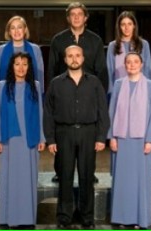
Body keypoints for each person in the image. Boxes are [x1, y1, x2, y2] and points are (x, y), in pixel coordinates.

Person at [44, 45, 109, 229]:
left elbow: (103, 111)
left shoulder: (95, 82)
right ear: (65, 60)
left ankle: (87, 217)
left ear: (83, 58)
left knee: (87, 176)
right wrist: (50, 139)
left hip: (89, 133)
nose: (74, 59)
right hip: (63, 133)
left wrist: (101, 137)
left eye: (77, 55)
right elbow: (48, 112)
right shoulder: (56, 83)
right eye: (70, 56)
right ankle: (64, 216)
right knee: (64, 176)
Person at [47, 2, 107, 183]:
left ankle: (89, 171)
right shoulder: (58, 40)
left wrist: (100, 96)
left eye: (79, 14)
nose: (76, 17)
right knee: (63, 133)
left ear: (85, 17)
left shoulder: (95, 40)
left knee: (88, 137)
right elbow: (52, 68)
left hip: (89, 92)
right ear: (68, 18)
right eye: (72, 14)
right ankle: (60, 171)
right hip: (63, 90)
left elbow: (101, 70)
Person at [0, 52, 46, 228]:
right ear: (11, 67)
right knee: (8, 178)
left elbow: (40, 114)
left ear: (29, 67)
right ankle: (7, 218)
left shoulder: (35, 86)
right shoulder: (2, 86)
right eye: (17, 64)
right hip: (9, 140)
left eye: (24, 64)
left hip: (29, 139)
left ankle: (27, 219)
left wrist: (42, 137)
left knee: (28, 179)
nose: (21, 68)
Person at [108, 52, 151, 229]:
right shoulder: (118, 84)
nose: (132, 65)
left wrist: (150, 140)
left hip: (141, 140)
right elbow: (112, 111)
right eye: (128, 62)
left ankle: (140, 219)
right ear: (124, 64)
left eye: (135, 62)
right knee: (122, 181)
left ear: (142, 64)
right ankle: (122, 218)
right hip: (121, 139)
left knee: (140, 182)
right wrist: (112, 136)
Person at [106, 11, 151, 97]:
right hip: (119, 91)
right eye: (123, 24)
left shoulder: (143, 44)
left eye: (129, 24)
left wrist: (148, 90)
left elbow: (147, 69)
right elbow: (110, 70)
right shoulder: (112, 46)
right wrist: (111, 93)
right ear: (119, 27)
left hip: (140, 90)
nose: (126, 27)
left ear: (134, 26)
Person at [0, 15, 45, 90]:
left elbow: (40, 74)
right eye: (13, 28)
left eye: (19, 27)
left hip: (30, 93)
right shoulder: (1, 50)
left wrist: (40, 93)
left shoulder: (35, 49)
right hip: (6, 92)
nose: (16, 31)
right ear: (9, 32)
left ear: (25, 30)